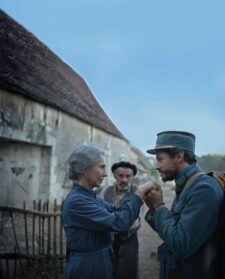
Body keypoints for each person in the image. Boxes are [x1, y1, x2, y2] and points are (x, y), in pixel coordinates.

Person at [62, 145, 154, 279]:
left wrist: (137, 197)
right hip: (88, 267)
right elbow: (120, 222)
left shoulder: (92, 197)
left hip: (101, 261)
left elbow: (117, 211)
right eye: (101, 167)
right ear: (85, 169)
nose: (105, 173)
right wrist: (139, 194)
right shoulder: (78, 202)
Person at [144, 131, 224, 279]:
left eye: (160, 159)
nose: (157, 166)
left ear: (179, 156)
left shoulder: (204, 189)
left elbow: (181, 245)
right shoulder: (188, 184)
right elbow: (171, 232)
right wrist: (153, 208)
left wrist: (160, 206)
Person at [101, 161, 143, 279]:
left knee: (129, 271)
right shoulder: (105, 192)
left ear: (132, 177)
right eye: (120, 176)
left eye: (128, 176)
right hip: (108, 238)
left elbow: (137, 218)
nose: (124, 180)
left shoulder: (139, 194)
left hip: (129, 238)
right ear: (114, 175)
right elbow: (101, 213)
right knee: (109, 268)